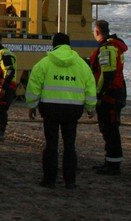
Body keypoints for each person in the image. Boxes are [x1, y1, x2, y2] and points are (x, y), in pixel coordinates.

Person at [25, 33, 97, 189]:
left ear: (53, 45)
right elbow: (90, 87)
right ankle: (70, 181)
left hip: (50, 108)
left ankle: (49, 180)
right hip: (73, 109)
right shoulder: (81, 64)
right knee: (70, 145)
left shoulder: (44, 63)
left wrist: (32, 105)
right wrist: (90, 108)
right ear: (69, 45)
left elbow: (34, 86)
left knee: (51, 144)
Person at [89, 20, 129, 175]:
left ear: (97, 31)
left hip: (110, 95)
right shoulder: (113, 47)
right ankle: (111, 161)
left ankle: (113, 164)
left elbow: (107, 74)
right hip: (116, 92)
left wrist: (99, 94)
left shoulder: (107, 49)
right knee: (109, 129)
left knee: (109, 129)